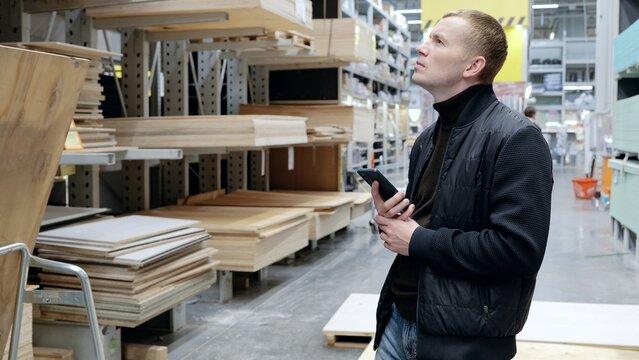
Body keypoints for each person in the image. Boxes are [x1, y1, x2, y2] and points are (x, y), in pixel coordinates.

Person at [371, 9, 553, 360]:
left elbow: (519, 252)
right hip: (400, 320)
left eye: (438, 41)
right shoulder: (426, 139)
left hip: (464, 339)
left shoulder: (517, 139)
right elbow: (426, 227)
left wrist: (418, 240)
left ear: (473, 66)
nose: (422, 49)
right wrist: (395, 219)